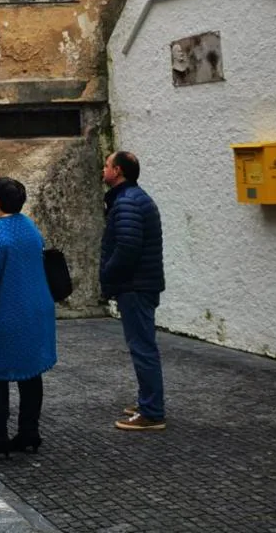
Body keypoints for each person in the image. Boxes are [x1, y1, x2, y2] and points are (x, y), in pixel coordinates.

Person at [0, 177, 57, 461]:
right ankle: (29, 433)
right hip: (35, 312)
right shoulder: (29, 227)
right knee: (30, 376)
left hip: (5, 317)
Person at [101, 150, 166, 431]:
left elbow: (127, 247)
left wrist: (107, 273)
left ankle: (152, 412)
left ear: (117, 171)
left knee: (142, 348)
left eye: (106, 165)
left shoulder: (127, 202)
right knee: (142, 345)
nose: (103, 170)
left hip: (135, 286)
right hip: (139, 283)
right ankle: (148, 402)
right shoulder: (132, 199)